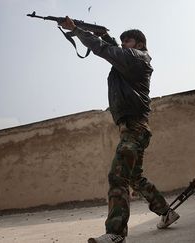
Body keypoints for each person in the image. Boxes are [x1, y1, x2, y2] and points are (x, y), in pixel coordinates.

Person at [60, 17, 179, 243]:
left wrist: (76, 30)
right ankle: (167, 212)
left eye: (129, 41)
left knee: (118, 176)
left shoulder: (137, 59)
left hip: (134, 127)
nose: (124, 44)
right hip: (135, 127)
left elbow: (105, 50)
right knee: (135, 178)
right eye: (122, 41)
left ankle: (115, 233)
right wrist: (103, 34)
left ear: (140, 44)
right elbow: (112, 47)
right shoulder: (132, 59)